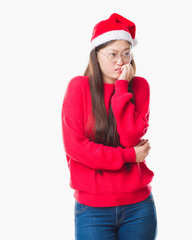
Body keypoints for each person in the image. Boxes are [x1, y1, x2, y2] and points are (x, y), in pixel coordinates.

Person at [61, 13, 157, 240]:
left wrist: (122, 88)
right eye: (112, 54)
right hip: (92, 210)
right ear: (96, 54)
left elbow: (130, 137)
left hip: (139, 207)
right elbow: (77, 149)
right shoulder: (79, 87)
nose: (120, 61)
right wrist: (129, 156)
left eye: (126, 53)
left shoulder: (139, 86)